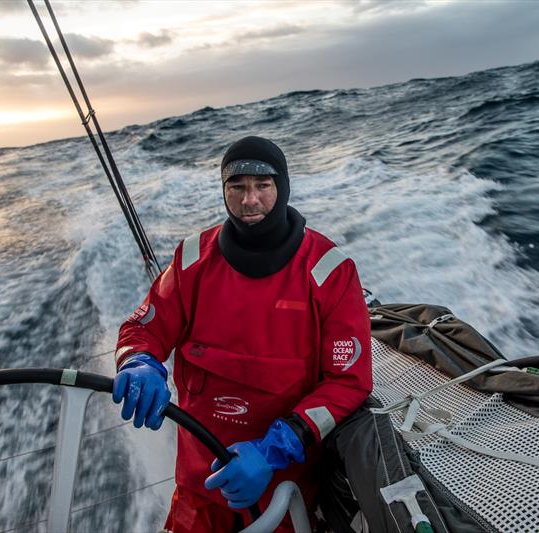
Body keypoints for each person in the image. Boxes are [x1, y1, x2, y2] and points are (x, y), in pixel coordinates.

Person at [112, 136, 373, 532]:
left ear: (282, 187)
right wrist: (138, 361)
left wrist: (272, 451)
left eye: (262, 186)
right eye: (237, 188)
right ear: (224, 192)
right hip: (198, 490)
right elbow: (142, 329)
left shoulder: (329, 271)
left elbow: (349, 381)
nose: (249, 200)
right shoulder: (191, 259)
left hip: (286, 490)